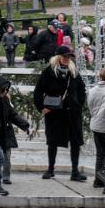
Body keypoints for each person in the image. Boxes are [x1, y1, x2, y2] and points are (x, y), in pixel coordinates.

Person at [33, 46, 87, 181]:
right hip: (54, 113)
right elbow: (38, 91)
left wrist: (79, 104)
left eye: (69, 57)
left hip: (73, 113)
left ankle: (75, 171)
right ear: (58, 57)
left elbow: (81, 89)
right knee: (52, 142)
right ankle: (50, 169)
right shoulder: (48, 72)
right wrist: (41, 107)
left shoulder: (73, 72)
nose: (67, 59)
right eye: (65, 57)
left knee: (75, 142)